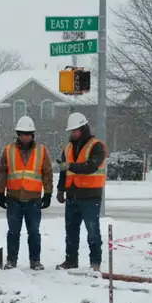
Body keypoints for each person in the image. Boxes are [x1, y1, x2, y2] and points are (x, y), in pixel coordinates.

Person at [0, 115, 52, 270]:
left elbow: (47, 173)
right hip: (14, 199)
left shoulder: (41, 151)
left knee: (34, 232)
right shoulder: (8, 150)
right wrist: (0, 192)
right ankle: (11, 260)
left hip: (33, 199)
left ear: (32, 135)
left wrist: (48, 194)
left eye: (27, 134)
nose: (25, 137)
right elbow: (2, 173)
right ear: (18, 134)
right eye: (22, 134)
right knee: (13, 232)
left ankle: (35, 261)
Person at [55, 112, 106, 270]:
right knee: (71, 231)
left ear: (84, 129)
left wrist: (70, 166)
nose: (73, 134)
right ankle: (71, 260)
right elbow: (64, 171)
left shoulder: (97, 146)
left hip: (90, 197)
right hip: (72, 195)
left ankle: (95, 263)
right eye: (72, 131)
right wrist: (60, 189)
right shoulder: (68, 147)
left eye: (76, 130)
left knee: (92, 231)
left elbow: (90, 167)